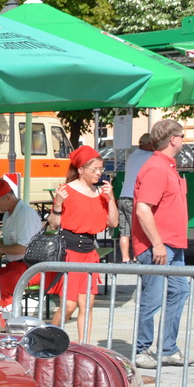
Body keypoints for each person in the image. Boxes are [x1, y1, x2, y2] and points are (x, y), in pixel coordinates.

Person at [131, 118, 192, 368]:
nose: (182, 140)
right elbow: (143, 209)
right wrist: (156, 244)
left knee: (180, 290)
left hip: (171, 244)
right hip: (159, 245)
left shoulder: (166, 166)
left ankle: (167, 348)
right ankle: (142, 349)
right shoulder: (157, 168)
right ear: (174, 139)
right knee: (153, 297)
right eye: (181, 135)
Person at [50, 145, 117, 344]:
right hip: (69, 252)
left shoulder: (102, 193)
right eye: (94, 169)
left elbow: (113, 223)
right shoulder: (67, 191)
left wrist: (111, 198)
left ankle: (85, 346)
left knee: (87, 305)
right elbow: (53, 225)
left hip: (89, 252)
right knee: (69, 306)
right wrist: (59, 204)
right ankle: (49, 339)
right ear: (81, 170)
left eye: (100, 169)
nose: (98, 173)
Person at [0, 174, 41, 310]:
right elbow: (8, 242)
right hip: (16, 266)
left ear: (8, 197)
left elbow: (22, 248)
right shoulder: (8, 214)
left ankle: (2, 321)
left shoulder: (25, 213)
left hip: (30, 268)